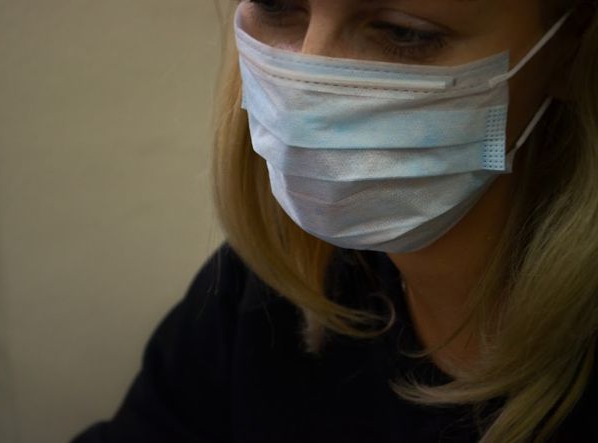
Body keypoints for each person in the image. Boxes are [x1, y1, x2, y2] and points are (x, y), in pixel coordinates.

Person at [71, 0, 598, 442]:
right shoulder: (270, 291)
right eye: (276, 5)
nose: (306, 87)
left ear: (570, 44)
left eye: (403, 32)